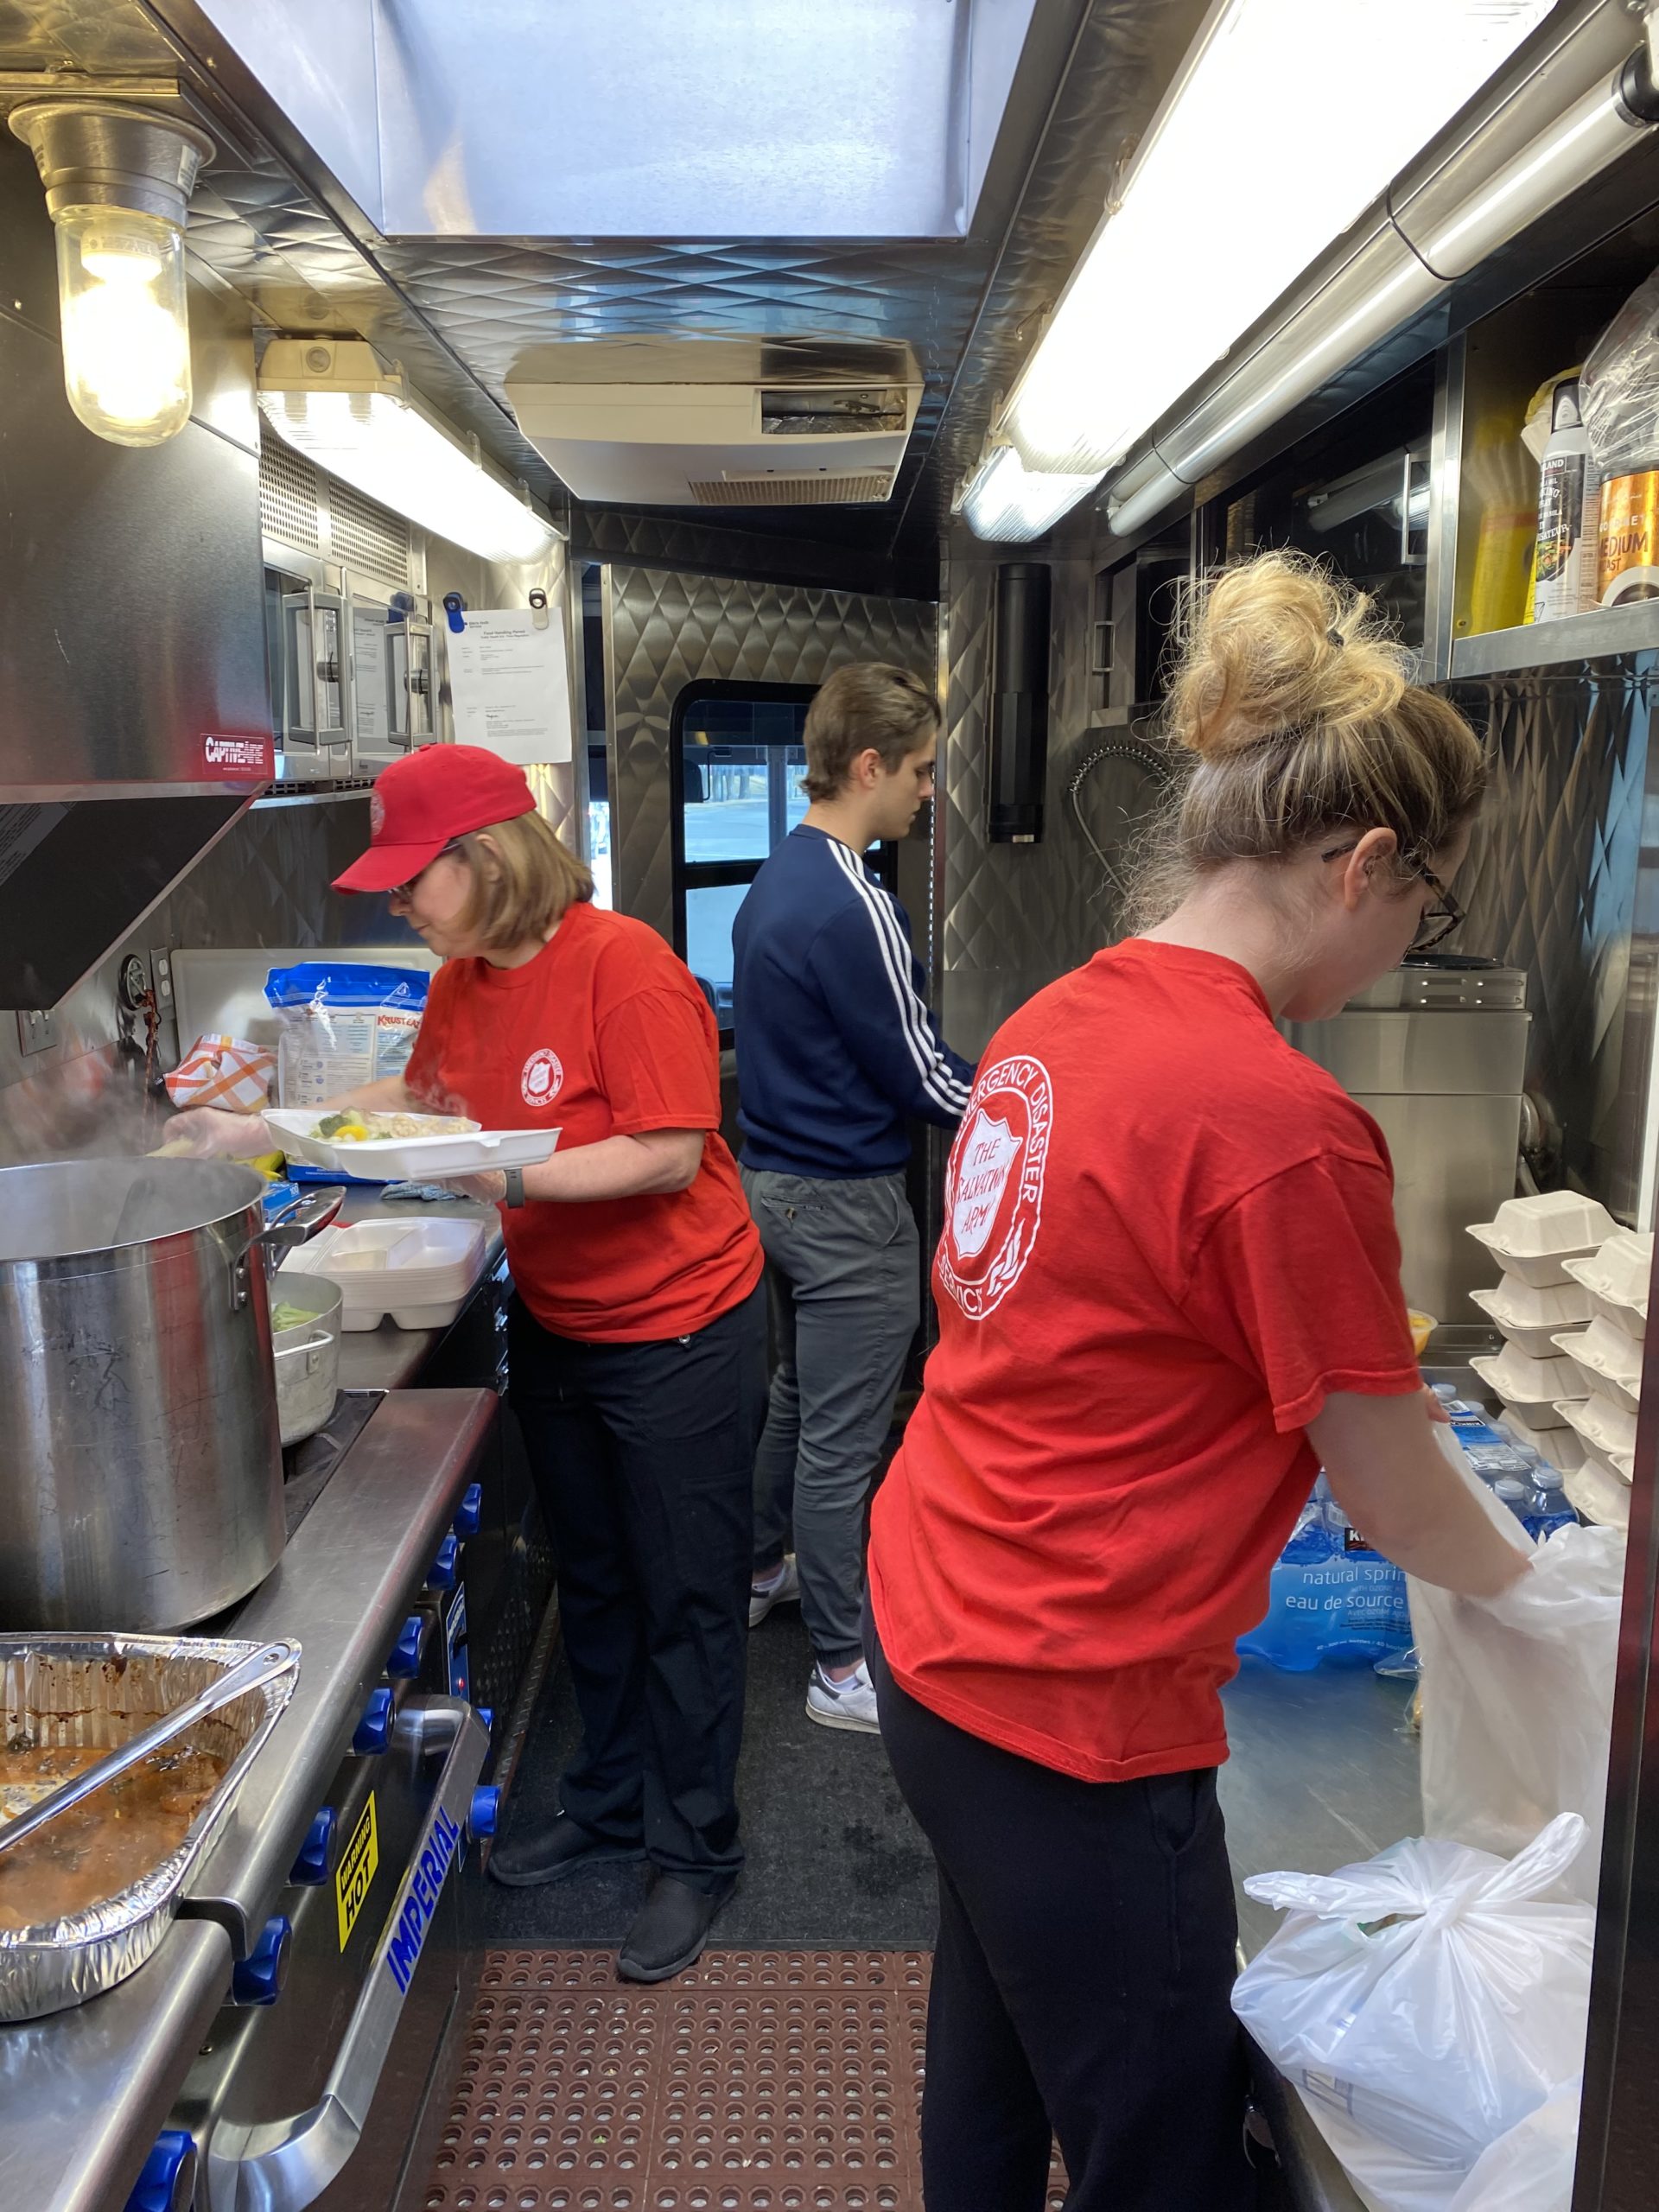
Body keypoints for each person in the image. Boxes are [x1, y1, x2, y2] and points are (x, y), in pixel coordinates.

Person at [864, 553, 1531, 2211]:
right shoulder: (1280, 1122)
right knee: (1163, 2147)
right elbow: (1387, 1492)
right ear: (1365, 862)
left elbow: (1093, 1336)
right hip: (1073, 1703)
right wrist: (1556, 1595)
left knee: (996, 2059)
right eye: (1422, 909)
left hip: (935, 1625)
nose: (1398, 951)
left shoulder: (1059, 1017)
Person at [179, 745, 767, 1982]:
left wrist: (505, 1174)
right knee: (595, 1582)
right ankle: (610, 1798)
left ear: (486, 858)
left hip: (681, 1334)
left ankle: (696, 1852)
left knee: (685, 1599)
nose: (397, 903)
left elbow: (668, 1152)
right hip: (563, 1320)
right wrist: (269, 1130)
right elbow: (416, 1097)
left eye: (412, 879)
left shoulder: (625, 969)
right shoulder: (463, 978)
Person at [730, 663, 974, 1732]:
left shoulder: (779, 874)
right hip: (844, 1210)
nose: (928, 791)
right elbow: (918, 1071)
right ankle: (839, 1666)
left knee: (795, 1399)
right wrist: (1023, 1110)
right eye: (920, 771)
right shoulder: (853, 898)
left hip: (774, 1189)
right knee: (845, 1438)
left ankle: (763, 1566)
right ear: (868, 765)